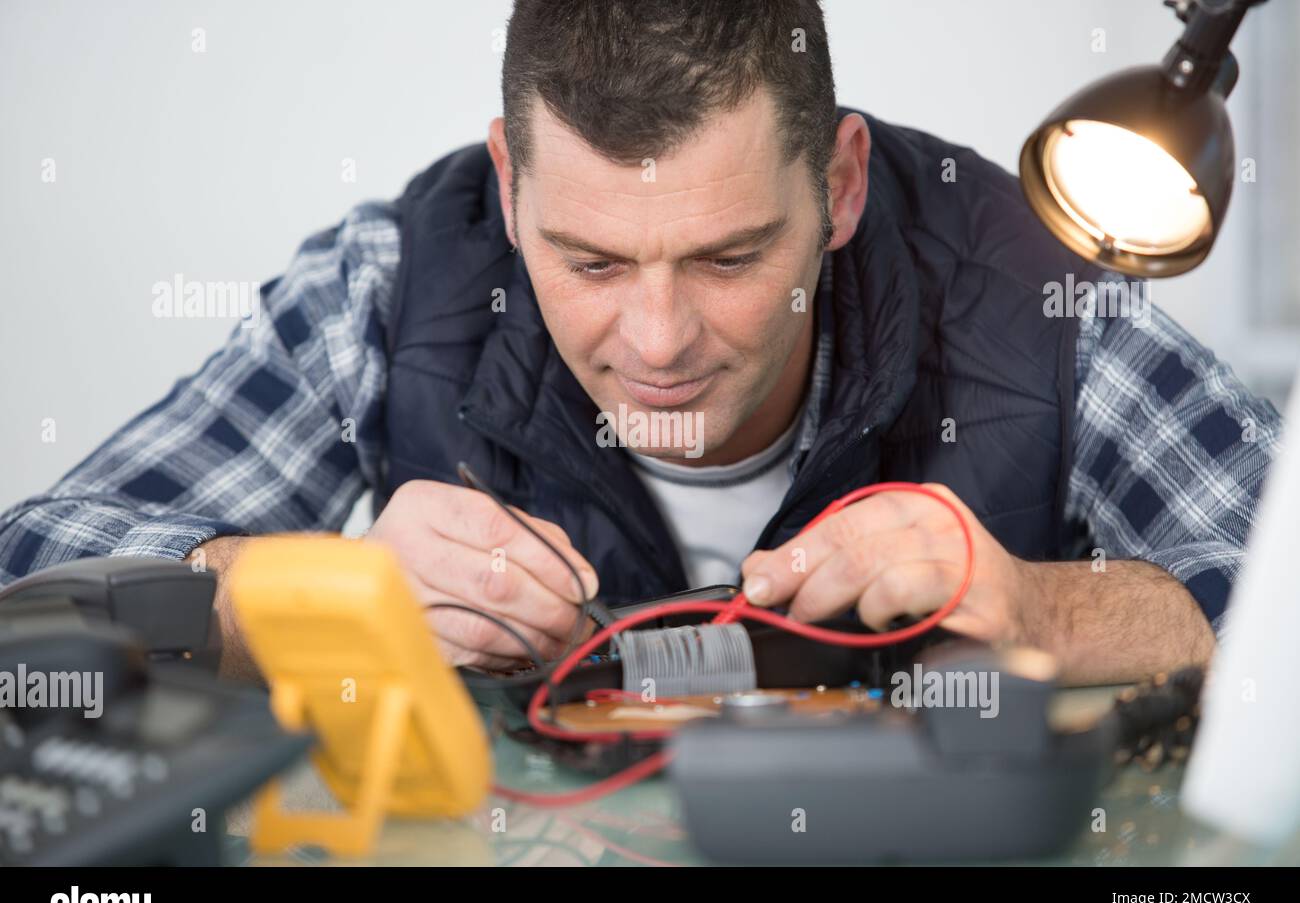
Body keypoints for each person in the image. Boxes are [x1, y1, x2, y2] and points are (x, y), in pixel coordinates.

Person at [0, 0, 1281, 684]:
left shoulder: (1022, 279)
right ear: (510, 190)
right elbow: (33, 573)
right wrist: (274, 598)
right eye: (590, 261)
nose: (658, 342)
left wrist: (1052, 608)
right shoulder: (395, 279)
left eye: (728, 258)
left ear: (838, 186)